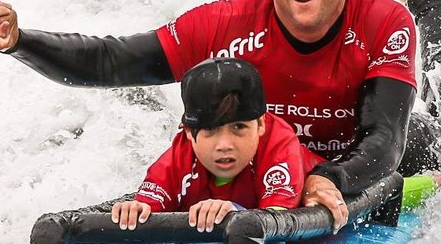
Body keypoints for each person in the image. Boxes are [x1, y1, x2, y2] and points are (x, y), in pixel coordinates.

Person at [0, 0, 441, 230]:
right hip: (263, 166)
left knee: (438, 92)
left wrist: (328, 178)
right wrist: (18, 41)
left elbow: (385, 140)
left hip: (367, 160)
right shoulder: (229, 23)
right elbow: (111, 61)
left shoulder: (380, 21)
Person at [110, 57, 334, 234]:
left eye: (238, 128)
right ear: (188, 132)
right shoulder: (180, 155)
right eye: (210, 130)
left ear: (261, 125)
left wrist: (234, 214)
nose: (225, 145)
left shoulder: (279, 145)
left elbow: (276, 237)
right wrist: (129, 220)